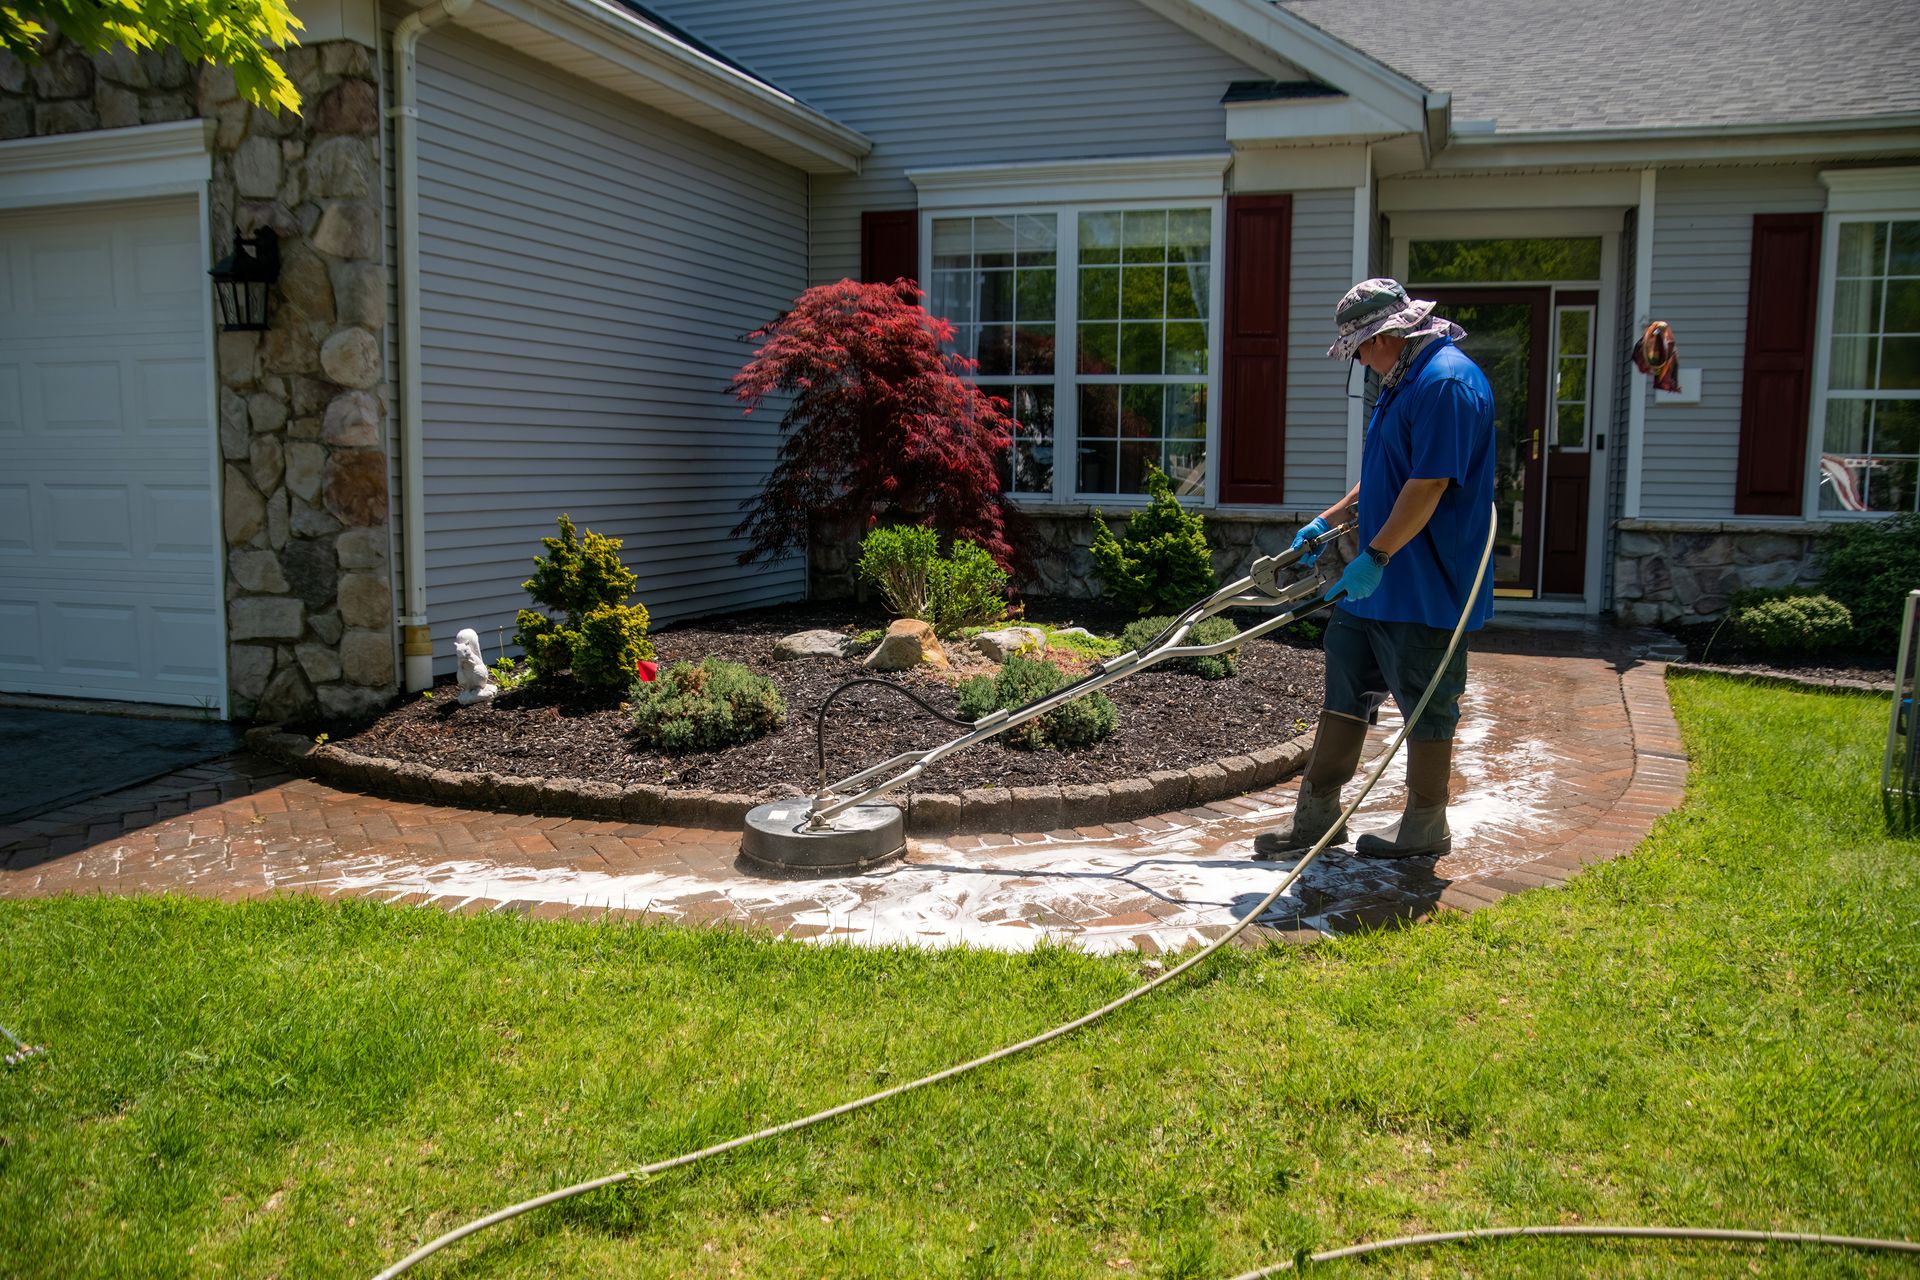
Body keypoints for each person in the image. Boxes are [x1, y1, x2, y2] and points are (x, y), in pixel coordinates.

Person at [1254, 278, 1495, 861]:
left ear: (1387, 335)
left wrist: (1377, 557)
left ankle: (1425, 824)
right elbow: (1388, 472)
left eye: (1360, 347)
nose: (1358, 359)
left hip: (1425, 585)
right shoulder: (1402, 379)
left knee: (1426, 702)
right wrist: (1328, 520)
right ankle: (1316, 818)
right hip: (1374, 583)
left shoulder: (1447, 383)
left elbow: (1430, 483)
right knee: (1345, 685)